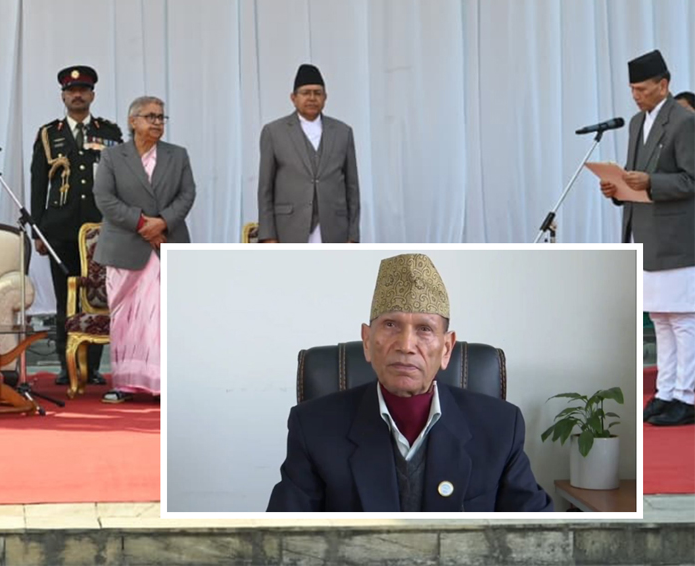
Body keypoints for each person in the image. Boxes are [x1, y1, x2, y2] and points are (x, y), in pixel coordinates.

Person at [266, 253, 554, 512]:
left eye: (424, 329)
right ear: (367, 341)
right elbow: (281, 538)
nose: (406, 345)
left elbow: (539, 534)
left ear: (446, 348)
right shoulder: (313, 427)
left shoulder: (500, 426)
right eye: (391, 325)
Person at [601, 50, 695, 427]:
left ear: (664, 85)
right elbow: (636, 177)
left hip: (676, 237)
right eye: (632, 89)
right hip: (647, 232)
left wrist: (651, 182)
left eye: (641, 89)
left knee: (683, 320)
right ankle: (667, 392)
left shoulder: (684, 121)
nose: (635, 96)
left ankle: (687, 396)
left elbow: (690, 179)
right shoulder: (638, 122)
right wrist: (617, 188)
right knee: (661, 318)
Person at [93, 96, 196, 403]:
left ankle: (162, 383)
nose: (157, 122)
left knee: (164, 316)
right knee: (126, 318)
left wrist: (162, 222)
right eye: (150, 116)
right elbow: (104, 198)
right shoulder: (112, 157)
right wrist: (142, 224)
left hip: (168, 243)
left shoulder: (177, 155)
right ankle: (125, 383)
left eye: (161, 117)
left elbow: (187, 194)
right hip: (125, 248)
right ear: (132, 121)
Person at [30, 65, 123, 386]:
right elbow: (38, 184)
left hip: (102, 229)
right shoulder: (49, 134)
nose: (77, 95)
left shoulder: (109, 133)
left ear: (92, 95)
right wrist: (38, 231)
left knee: (98, 298)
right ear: (63, 96)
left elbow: (120, 181)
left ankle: (93, 367)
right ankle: (66, 365)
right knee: (65, 298)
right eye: (71, 91)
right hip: (60, 230)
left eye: (83, 90)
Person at [257, 64, 360, 243]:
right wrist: (268, 236)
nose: (312, 98)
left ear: (325, 97)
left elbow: (352, 188)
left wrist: (353, 236)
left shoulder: (343, 132)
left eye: (317, 93)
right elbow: (265, 189)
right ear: (293, 98)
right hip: (289, 229)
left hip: (334, 230)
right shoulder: (274, 132)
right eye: (306, 93)